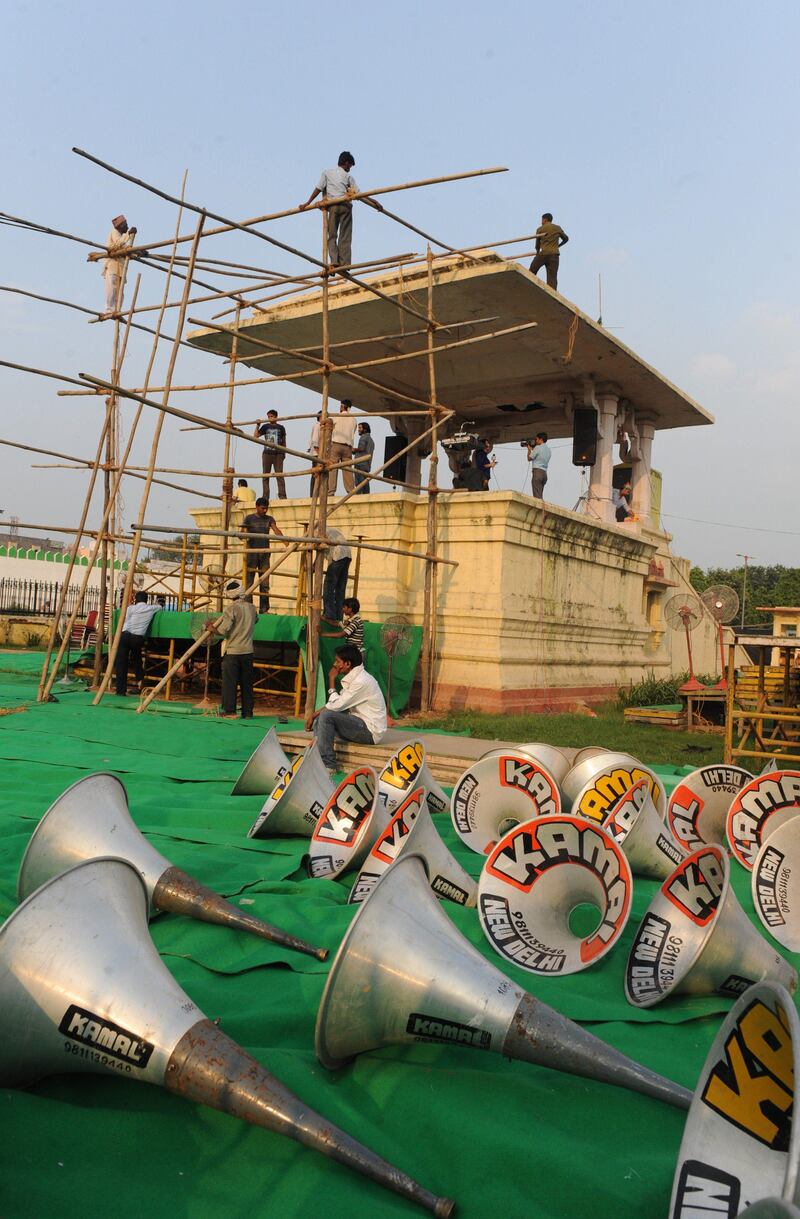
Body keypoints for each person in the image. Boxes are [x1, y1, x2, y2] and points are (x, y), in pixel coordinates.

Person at [306, 643, 387, 775]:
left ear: (347, 664)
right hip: (359, 724)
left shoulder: (362, 681)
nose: (334, 664)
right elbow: (336, 703)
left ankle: (328, 765)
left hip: (370, 732)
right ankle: (315, 754)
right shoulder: (356, 677)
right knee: (322, 717)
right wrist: (316, 715)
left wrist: (331, 679)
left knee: (326, 715)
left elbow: (337, 706)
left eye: (338, 661)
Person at [299, 151, 384, 270]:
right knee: (345, 236)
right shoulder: (348, 177)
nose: (350, 168)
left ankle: (334, 261)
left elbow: (318, 189)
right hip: (345, 206)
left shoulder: (327, 173)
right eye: (350, 166)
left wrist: (307, 203)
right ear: (346, 163)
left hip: (333, 206)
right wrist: (374, 201)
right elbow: (359, 194)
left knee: (332, 235)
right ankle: (344, 264)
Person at [207, 581, 258, 719]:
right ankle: (248, 712)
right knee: (247, 684)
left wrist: (211, 629)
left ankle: (230, 711)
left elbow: (223, 630)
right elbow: (256, 620)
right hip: (248, 650)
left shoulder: (231, 609)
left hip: (233, 651)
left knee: (230, 683)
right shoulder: (252, 608)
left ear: (230, 595)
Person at [89, 215, 138, 318]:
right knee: (111, 288)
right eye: (126, 225)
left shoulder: (122, 237)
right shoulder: (115, 233)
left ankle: (117, 310)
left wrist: (139, 252)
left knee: (120, 292)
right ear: (121, 226)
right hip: (112, 267)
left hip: (121, 268)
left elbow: (126, 249)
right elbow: (116, 245)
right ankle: (109, 310)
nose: (127, 227)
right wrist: (128, 234)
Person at [241, 497, 283, 613]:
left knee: (265, 582)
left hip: (264, 554)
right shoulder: (249, 519)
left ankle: (264, 609)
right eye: (263, 508)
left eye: (266, 508)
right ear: (257, 506)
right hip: (252, 554)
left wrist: (285, 541)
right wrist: (245, 535)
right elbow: (241, 534)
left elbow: (276, 530)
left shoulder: (269, 519)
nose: (265, 511)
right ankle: (248, 608)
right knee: (249, 581)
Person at [115, 591, 160, 695]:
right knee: (137, 659)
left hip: (124, 635)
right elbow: (160, 607)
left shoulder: (130, 608)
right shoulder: (151, 608)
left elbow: (126, 620)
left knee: (121, 663)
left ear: (136, 599)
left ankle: (120, 690)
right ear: (146, 599)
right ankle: (140, 680)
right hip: (137, 638)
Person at [530, 212, 569, 291]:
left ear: (545, 219)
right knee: (552, 277)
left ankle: (529, 286)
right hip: (554, 255)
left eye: (542, 219)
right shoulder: (557, 228)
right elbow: (566, 239)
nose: (541, 221)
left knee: (532, 270)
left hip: (543, 253)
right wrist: (558, 246)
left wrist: (537, 253)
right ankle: (553, 293)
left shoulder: (540, 229)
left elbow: (537, 245)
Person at [255, 409, 287, 499]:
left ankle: (282, 495)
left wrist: (284, 453)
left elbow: (284, 441)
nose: (270, 418)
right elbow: (255, 436)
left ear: (276, 417)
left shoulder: (281, 427)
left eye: (272, 416)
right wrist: (258, 425)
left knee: (279, 475)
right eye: (268, 417)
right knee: (265, 475)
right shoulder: (265, 426)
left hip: (278, 454)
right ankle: (265, 496)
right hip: (267, 454)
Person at [321, 596, 366, 661]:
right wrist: (324, 619)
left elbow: (341, 635)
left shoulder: (356, 621)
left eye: (344, 607)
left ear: (350, 609)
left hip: (357, 653)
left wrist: (323, 634)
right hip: (352, 652)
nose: (342, 609)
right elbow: (336, 624)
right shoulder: (349, 620)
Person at [323, 528, 351, 621]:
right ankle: (339, 615)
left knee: (328, 586)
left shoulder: (317, 531)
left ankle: (329, 614)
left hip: (338, 554)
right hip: (347, 555)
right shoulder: (330, 530)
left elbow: (322, 545)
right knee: (340, 589)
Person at [329, 401, 357, 492]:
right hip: (348, 447)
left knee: (332, 469)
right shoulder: (353, 419)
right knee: (348, 471)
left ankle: (331, 491)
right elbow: (353, 431)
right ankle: (350, 491)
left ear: (342, 407)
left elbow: (330, 427)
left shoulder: (336, 416)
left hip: (336, 444)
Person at [526, 432, 551, 499]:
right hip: (544, 474)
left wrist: (529, 450)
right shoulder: (548, 450)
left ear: (541, 439)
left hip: (537, 473)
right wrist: (533, 449)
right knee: (539, 495)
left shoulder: (537, 448)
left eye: (537, 439)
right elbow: (540, 455)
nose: (536, 441)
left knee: (537, 497)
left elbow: (529, 458)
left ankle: (540, 509)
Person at [353, 421, 374, 493]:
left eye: (360, 428)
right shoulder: (371, 441)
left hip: (360, 463)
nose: (358, 430)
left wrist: (353, 450)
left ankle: (359, 497)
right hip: (367, 465)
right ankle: (366, 496)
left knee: (359, 483)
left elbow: (361, 448)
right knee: (365, 483)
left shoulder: (363, 437)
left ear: (365, 429)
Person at [308, 411, 322, 494]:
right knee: (316, 474)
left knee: (320, 474)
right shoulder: (317, 426)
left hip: (319, 454)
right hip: (317, 454)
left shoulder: (321, 426)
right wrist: (320, 454)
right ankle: (313, 494)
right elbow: (315, 442)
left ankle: (318, 493)